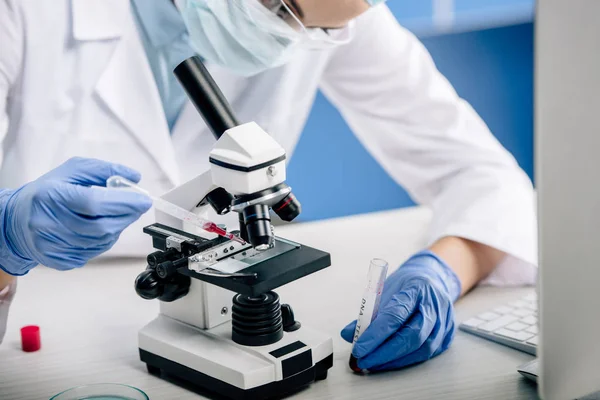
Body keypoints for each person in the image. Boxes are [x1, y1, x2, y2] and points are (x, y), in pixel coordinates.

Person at [0, 0, 536, 372]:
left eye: (314, 25)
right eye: (280, 8)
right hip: (43, 308)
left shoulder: (332, 11)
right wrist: (7, 240)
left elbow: (480, 172)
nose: (287, 31)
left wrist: (445, 270)